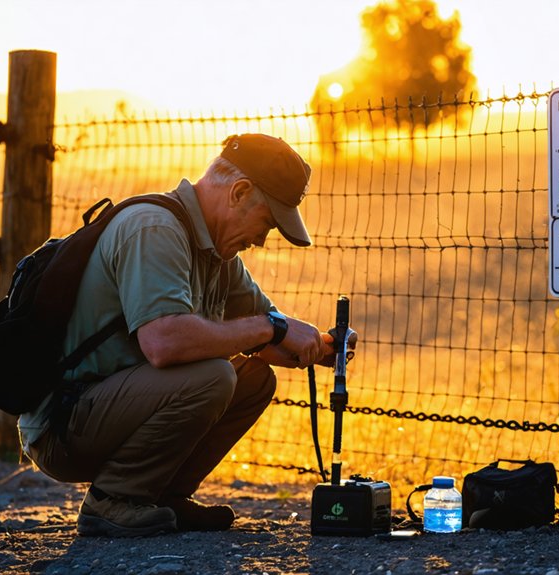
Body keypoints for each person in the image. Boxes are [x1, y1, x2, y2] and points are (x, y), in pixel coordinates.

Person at [18, 133, 348, 537]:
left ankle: (162, 497)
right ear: (239, 192)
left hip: (109, 409)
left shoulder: (216, 250)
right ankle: (113, 501)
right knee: (215, 376)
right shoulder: (154, 230)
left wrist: (322, 347)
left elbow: (265, 330)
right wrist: (269, 328)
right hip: (63, 424)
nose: (263, 240)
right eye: (267, 222)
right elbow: (164, 343)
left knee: (254, 379)